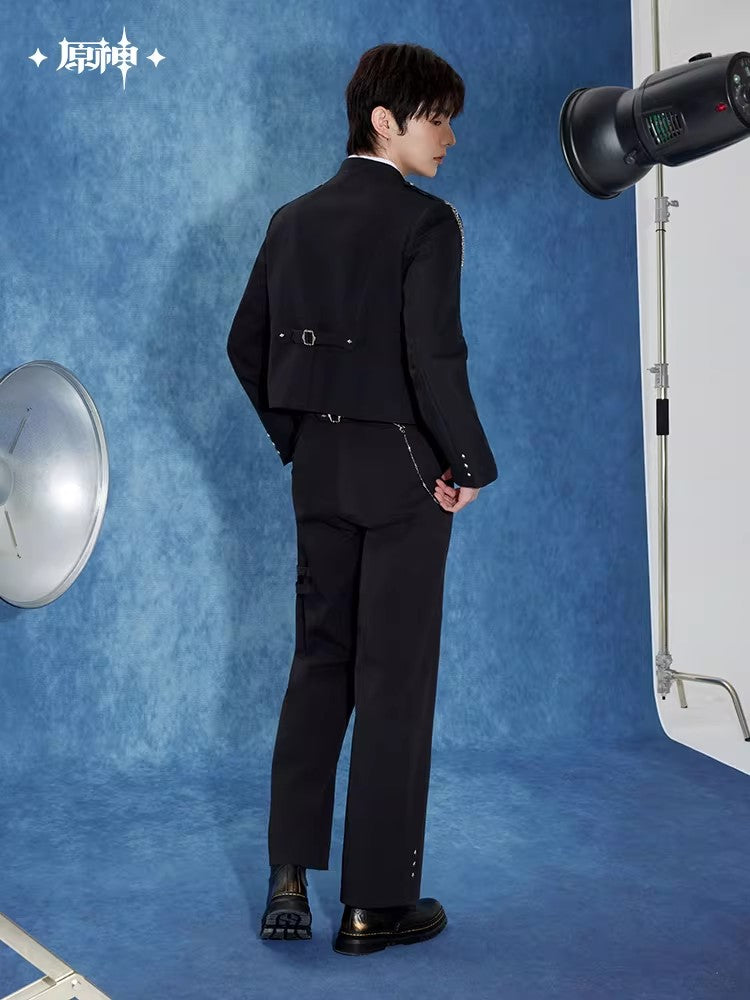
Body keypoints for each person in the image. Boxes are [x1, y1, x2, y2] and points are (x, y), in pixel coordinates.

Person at [226, 41, 498, 956]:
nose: (449, 137)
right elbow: (434, 358)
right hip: (406, 471)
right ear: (386, 120)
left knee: (320, 662)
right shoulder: (428, 222)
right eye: (437, 118)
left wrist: (298, 436)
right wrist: (468, 464)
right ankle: (375, 906)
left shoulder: (291, 219)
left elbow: (245, 344)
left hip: (320, 470)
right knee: (393, 680)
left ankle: (288, 878)